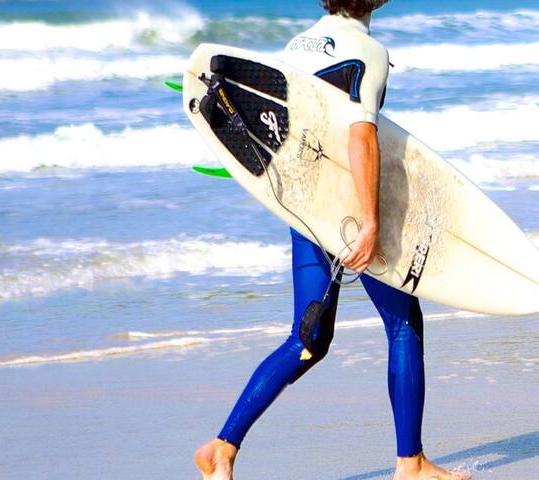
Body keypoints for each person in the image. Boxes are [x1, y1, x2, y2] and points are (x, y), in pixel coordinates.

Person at [193, 1, 466, 479]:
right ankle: (411, 464)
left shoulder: (295, 46)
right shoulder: (368, 52)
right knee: (403, 324)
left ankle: (222, 447)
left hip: (305, 208)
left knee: (309, 338)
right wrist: (370, 222)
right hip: (350, 209)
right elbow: (361, 137)